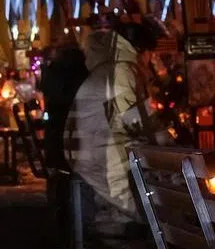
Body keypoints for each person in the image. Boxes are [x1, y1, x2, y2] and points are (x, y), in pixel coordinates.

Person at [65, 20, 158, 217]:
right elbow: (136, 121)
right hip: (101, 160)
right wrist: (168, 141)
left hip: (88, 152)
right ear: (141, 51)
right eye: (151, 54)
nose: (151, 60)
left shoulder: (109, 69)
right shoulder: (122, 71)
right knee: (159, 197)